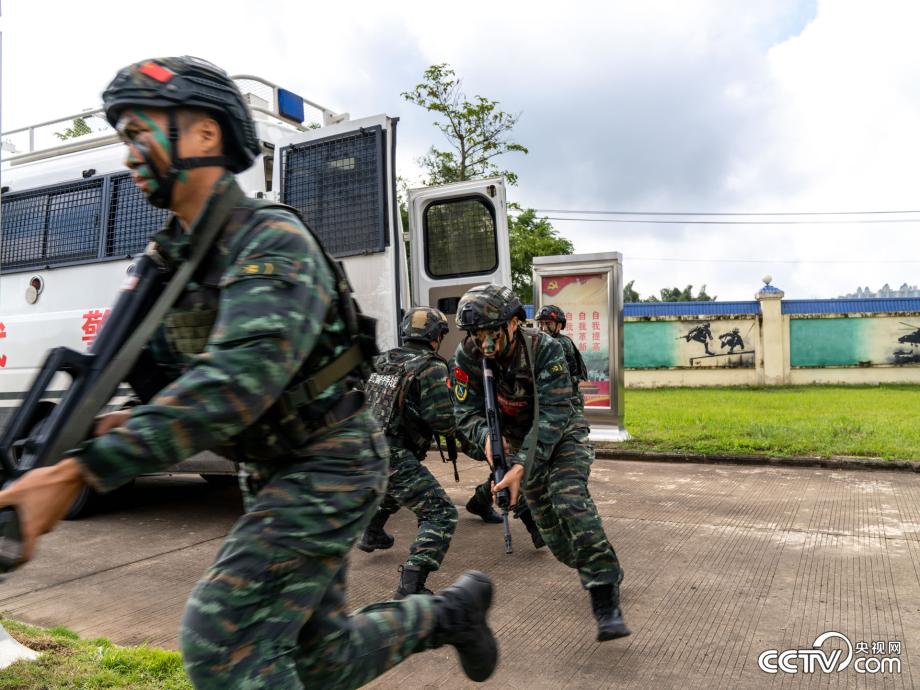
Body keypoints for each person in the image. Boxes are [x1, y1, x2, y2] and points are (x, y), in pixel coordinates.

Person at [0, 56, 497, 688]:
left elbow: (235, 386)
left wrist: (80, 472)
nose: (127, 154)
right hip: (268, 467)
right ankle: (448, 615)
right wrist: (102, 428)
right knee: (321, 659)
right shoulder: (174, 258)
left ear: (204, 134)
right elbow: (183, 384)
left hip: (330, 460)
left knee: (222, 638)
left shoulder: (267, 242)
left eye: (138, 131)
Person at [452, 284, 630, 642]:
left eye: (492, 333)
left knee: (570, 501)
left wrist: (521, 465)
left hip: (562, 434)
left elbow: (553, 413)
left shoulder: (544, 350)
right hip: (517, 444)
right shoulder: (469, 354)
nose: (484, 344)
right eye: (476, 334)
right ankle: (598, 563)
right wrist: (486, 437)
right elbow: (464, 410)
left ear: (515, 323)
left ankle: (604, 595)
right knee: (557, 540)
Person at [357, 307, 459, 599]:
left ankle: (371, 531)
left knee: (396, 488)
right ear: (436, 337)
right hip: (393, 454)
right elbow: (443, 421)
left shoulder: (379, 360)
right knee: (440, 513)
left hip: (363, 449)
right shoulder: (431, 367)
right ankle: (410, 586)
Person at [537, 304, 588, 413]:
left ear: (559, 326)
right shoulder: (539, 342)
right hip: (546, 397)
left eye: (548, 323)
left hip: (566, 398)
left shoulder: (562, 343)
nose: (543, 328)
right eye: (541, 323)